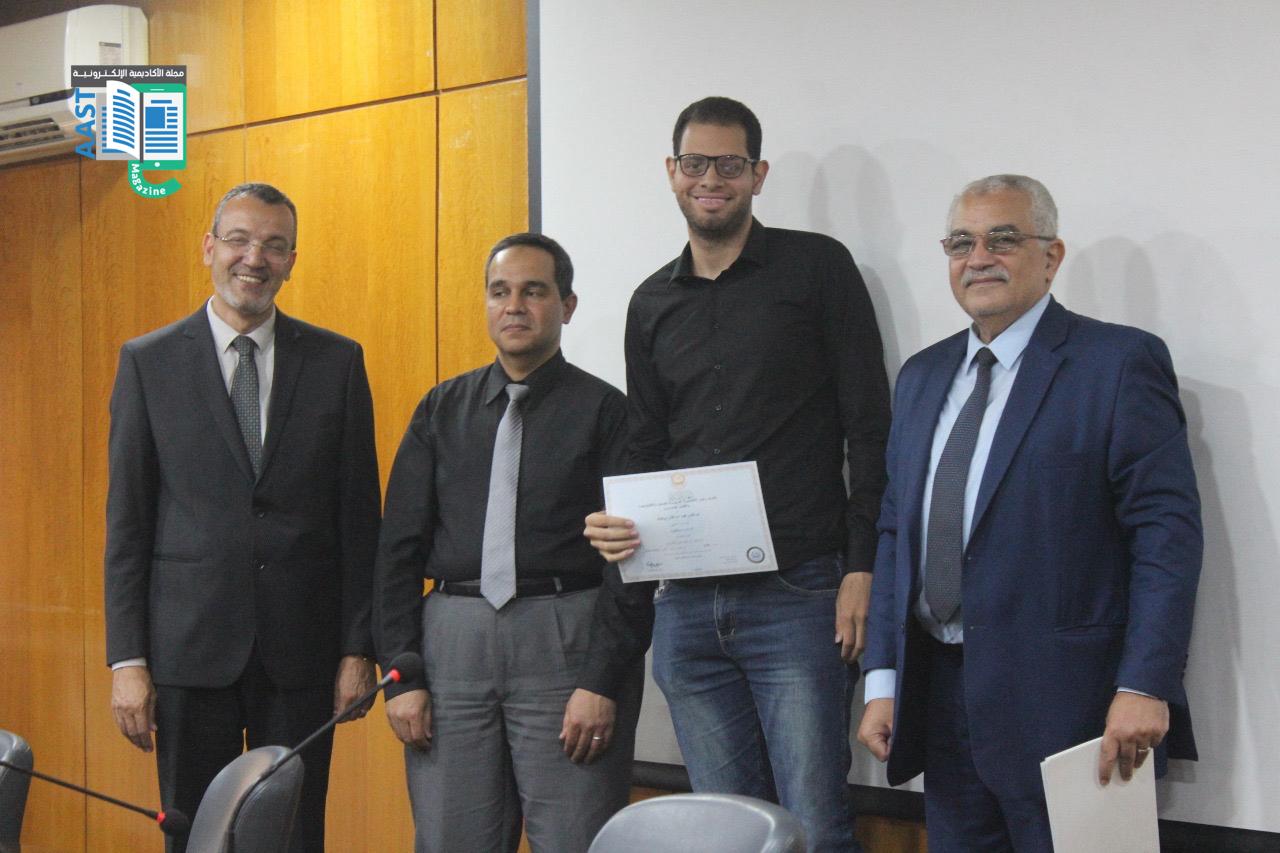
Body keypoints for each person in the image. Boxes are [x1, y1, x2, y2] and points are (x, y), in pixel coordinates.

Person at [857, 174, 1202, 851]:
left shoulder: (1117, 363)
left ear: (1051, 256)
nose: (978, 257)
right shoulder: (921, 376)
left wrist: (1146, 682)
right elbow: (897, 532)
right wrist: (883, 679)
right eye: (961, 243)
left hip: (1074, 711)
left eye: (1003, 239)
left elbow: (1165, 535)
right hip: (941, 702)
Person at [585, 96, 890, 852]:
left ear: (757, 174)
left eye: (729, 164)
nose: (711, 179)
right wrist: (620, 523)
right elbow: (646, 444)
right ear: (672, 172)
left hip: (800, 594)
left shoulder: (817, 268)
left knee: (814, 825)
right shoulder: (650, 302)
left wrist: (864, 566)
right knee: (723, 832)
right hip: (686, 605)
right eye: (695, 163)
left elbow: (868, 425)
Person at [104, 182, 381, 853]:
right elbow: (128, 525)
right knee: (198, 835)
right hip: (189, 655)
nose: (254, 258)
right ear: (209, 247)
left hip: (302, 656)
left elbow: (359, 521)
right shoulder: (148, 362)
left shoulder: (337, 362)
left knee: (293, 835)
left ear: (292, 262)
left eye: (274, 246)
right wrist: (126, 660)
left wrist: (358, 649)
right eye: (239, 240)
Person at [374, 233, 651, 853]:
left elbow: (632, 563)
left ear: (567, 305)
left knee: (575, 838)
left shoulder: (607, 412)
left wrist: (602, 681)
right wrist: (401, 675)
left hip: (566, 641)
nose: (515, 306)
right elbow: (396, 553)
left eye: (534, 291)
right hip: (452, 646)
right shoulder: (440, 409)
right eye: (500, 292)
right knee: (451, 839)